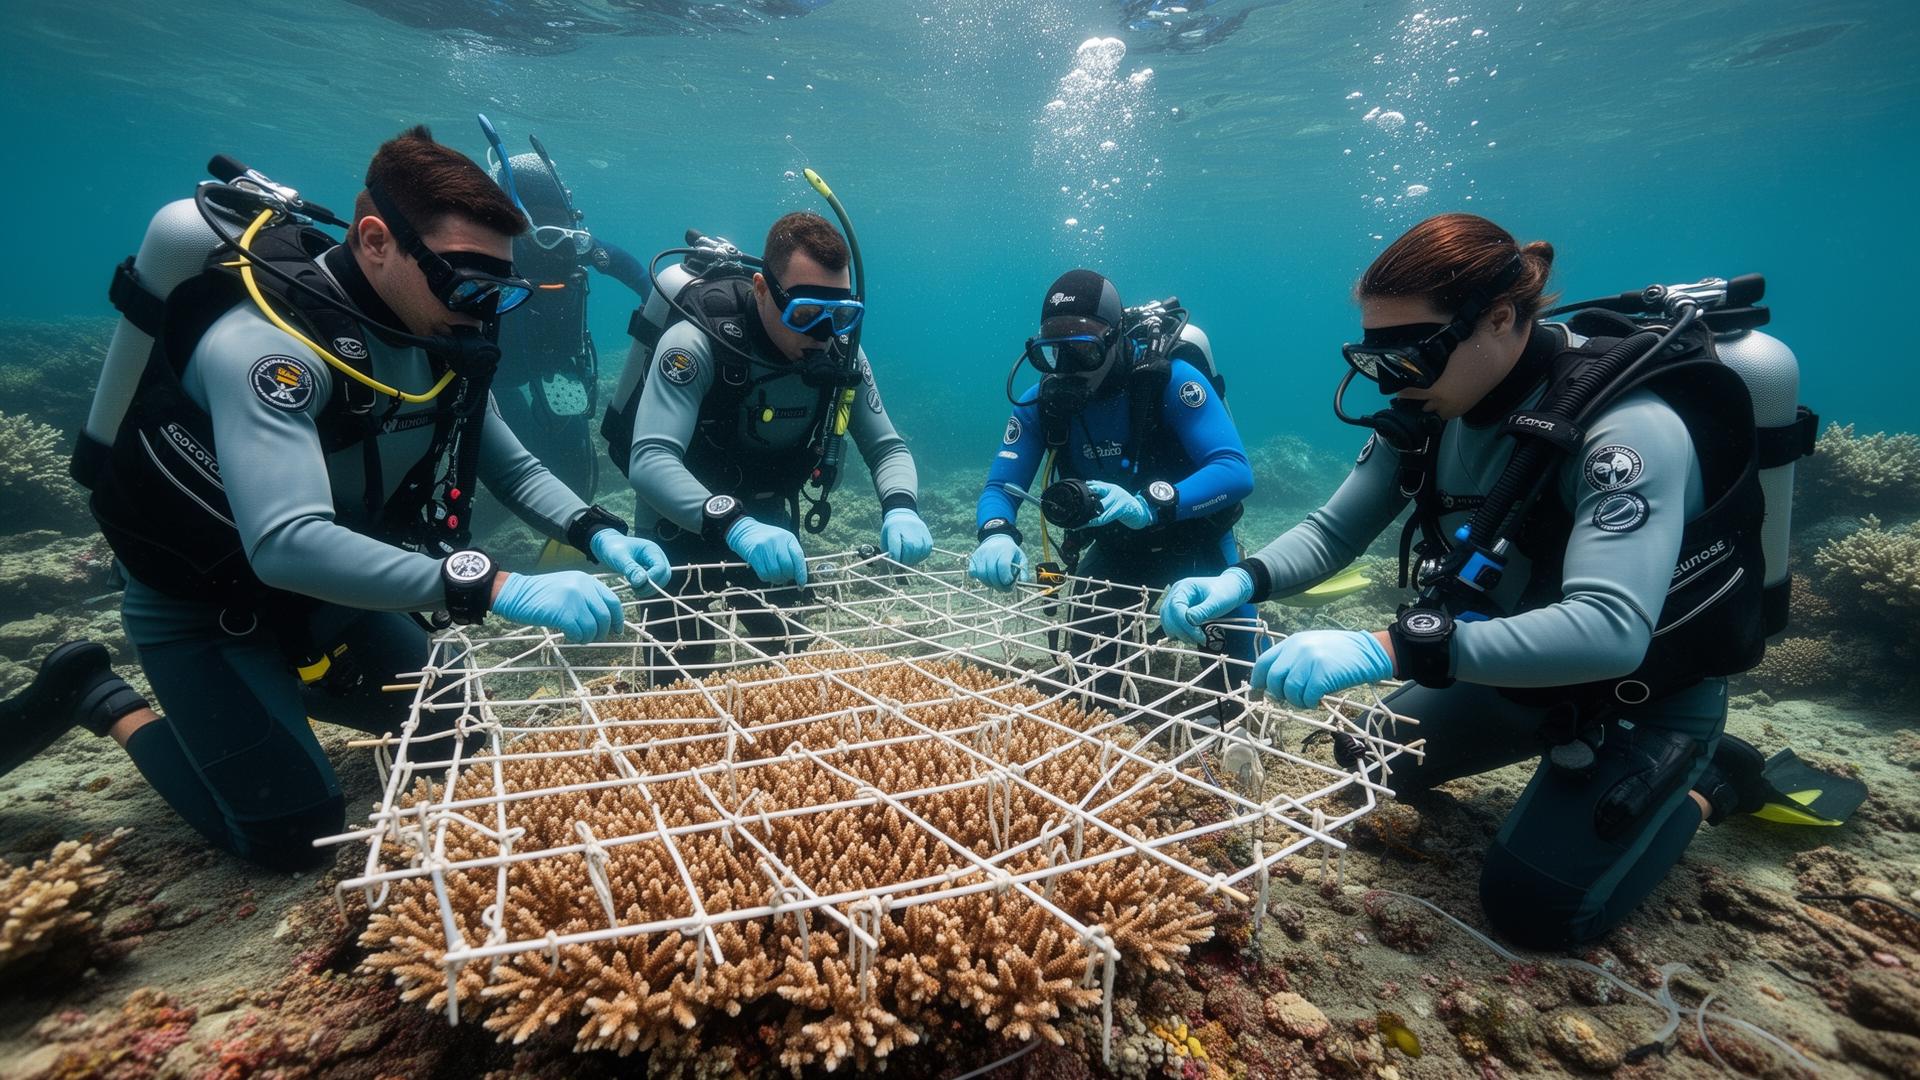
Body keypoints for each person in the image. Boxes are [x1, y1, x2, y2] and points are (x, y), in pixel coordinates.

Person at [0, 128, 670, 871]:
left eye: (500, 291)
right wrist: (495, 585)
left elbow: (510, 468)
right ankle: (100, 696)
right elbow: (286, 542)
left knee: (456, 733)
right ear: (376, 240)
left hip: (335, 596)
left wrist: (598, 531)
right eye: (463, 282)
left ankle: (272, 694)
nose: (482, 310)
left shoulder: (438, 331)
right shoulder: (272, 349)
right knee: (294, 837)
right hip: (207, 610)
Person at [1160, 213, 1835, 948]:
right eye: (1377, 357)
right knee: (1369, 752)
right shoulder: (1431, 409)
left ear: (1501, 318)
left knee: (1533, 911)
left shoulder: (1626, 430)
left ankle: (1711, 781)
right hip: (1513, 670)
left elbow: (1611, 630)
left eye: (1414, 354)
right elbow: (1331, 532)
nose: (1394, 380)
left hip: (1645, 693)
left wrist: (1387, 648)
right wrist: (1242, 579)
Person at [604, 210, 930, 676]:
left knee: (787, 663)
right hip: (677, 524)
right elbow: (651, 460)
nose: (823, 334)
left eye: (839, 315)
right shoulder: (695, 341)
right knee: (677, 673)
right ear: (761, 289)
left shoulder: (845, 354)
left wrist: (901, 507)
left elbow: (887, 448)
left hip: (769, 522)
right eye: (805, 313)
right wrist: (737, 527)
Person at [970, 270, 1255, 698]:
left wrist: (1151, 505)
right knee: (1088, 690)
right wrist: (996, 532)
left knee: (1238, 690)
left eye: (1084, 351)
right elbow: (1000, 487)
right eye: (1054, 353)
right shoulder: (1041, 404)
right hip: (1118, 548)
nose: (1069, 369)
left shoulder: (1169, 380)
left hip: (1196, 540)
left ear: (1116, 337)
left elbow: (1235, 470)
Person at [484, 122, 651, 500]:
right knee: (516, 455)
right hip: (500, 374)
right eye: (541, 227)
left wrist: (659, 314)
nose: (555, 241)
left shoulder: (577, 245)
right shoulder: (489, 252)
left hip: (555, 367)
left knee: (576, 476)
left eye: (561, 223)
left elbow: (637, 275)